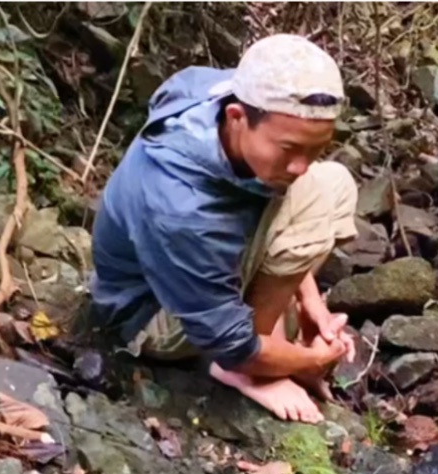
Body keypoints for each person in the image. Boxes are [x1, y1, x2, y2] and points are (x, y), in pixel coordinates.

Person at [87, 34, 359, 424]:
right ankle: (247, 373)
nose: (301, 164)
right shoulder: (180, 206)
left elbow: (269, 201)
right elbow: (231, 344)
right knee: (315, 191)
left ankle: (272, 333)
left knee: (329, 182)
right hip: (151, 316)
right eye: (289, 149)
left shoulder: (234, 96)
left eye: (315, 149)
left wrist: (311, 301)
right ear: (237, 117)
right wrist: (311, 360)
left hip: (194, 268)